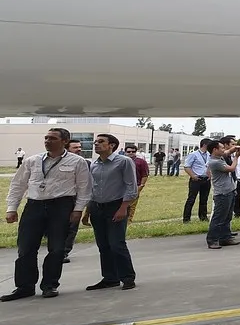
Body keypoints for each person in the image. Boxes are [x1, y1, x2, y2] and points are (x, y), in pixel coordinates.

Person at [2, 128, 92, 301]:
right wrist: (11, 208)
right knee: (25, 248)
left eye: (52, 138)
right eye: (46, 138)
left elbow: (84, 187)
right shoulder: (33, 161)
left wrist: (78, 209)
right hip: (34, 206)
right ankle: (24, 286)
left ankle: (50, 285)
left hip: (61, 206)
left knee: (57, 249)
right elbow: (18, 184)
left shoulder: (77, 162)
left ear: (65, 141)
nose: (47, 141)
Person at [85, 133, 138, 290]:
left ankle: (127, 277)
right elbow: (92, 188)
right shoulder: (94, 164)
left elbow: (131, 186)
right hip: (97, 207)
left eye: (101, 141)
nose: (96, 144)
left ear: (112, 145)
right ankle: (110, 278)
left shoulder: (124, 161)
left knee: (116, 244)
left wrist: (123, 208)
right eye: (95, 141)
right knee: (103, 245)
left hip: (116, 206)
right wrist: (87, 211)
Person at [204, 139, 239, 249]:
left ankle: (225, 237)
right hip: (222, 193)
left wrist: (234, 149)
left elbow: (227, 152)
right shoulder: (215, 162)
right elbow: (231, 168)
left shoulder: (219, 157)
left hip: (229, 190)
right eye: (222, 148)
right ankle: (212, 240)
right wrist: (237, 157)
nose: (224, 150)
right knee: (218, 218)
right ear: (215, 150)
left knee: (227, 217)